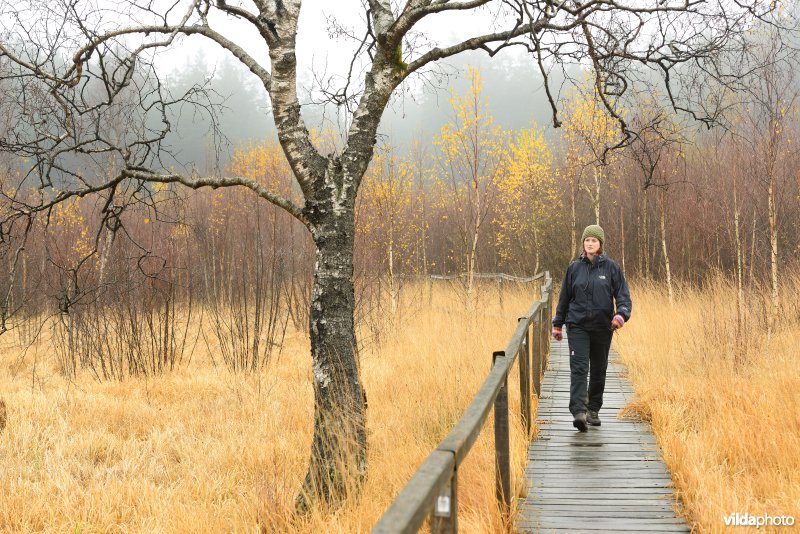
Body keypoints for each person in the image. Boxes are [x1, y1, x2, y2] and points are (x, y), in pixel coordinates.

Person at [551, 224, 632, 432]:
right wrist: (557, 324)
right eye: (587, 240)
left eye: (594, 241)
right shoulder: (574, 268)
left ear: (600, 244)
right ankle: (578, 411)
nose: (590, 244)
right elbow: (564, 298)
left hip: (603, 327)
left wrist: (621, 315)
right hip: (577, 325)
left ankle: (593, 409)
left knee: (598, 369)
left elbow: (623, 295)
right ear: (583, 244)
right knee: (579, 368)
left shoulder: (611, 268)